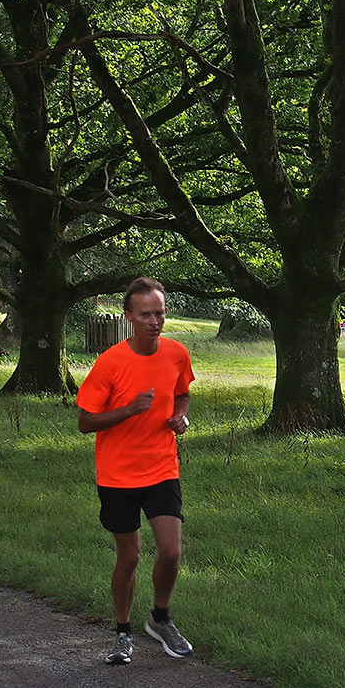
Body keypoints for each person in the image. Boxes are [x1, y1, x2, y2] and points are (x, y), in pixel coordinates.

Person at [77, 276, 195, 664]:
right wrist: (129, 409)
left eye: (159, 313)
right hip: (117, 475)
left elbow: (182, 393)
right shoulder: (111, 362)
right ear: (128, 316)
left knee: (172, 551)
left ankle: (160, 618)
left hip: (161, 466)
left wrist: (181, 417)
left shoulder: (177, 354)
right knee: (129, 558)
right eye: (145, 314)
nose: (154, 321)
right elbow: (85, 422)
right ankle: (123, 633)